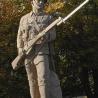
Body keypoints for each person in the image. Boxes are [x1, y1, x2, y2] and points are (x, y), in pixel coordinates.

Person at [17, 0, 62, 98]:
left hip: (42, 51)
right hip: (27, 53)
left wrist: (46, 36)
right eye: (38, 0)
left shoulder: (48, 17)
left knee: (43, 78)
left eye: (43, 1)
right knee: (32, 80)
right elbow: (19, 36)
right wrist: (20, 49)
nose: (41, 2)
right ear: (32, 2)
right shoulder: (24, 19)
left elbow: (53, 35)